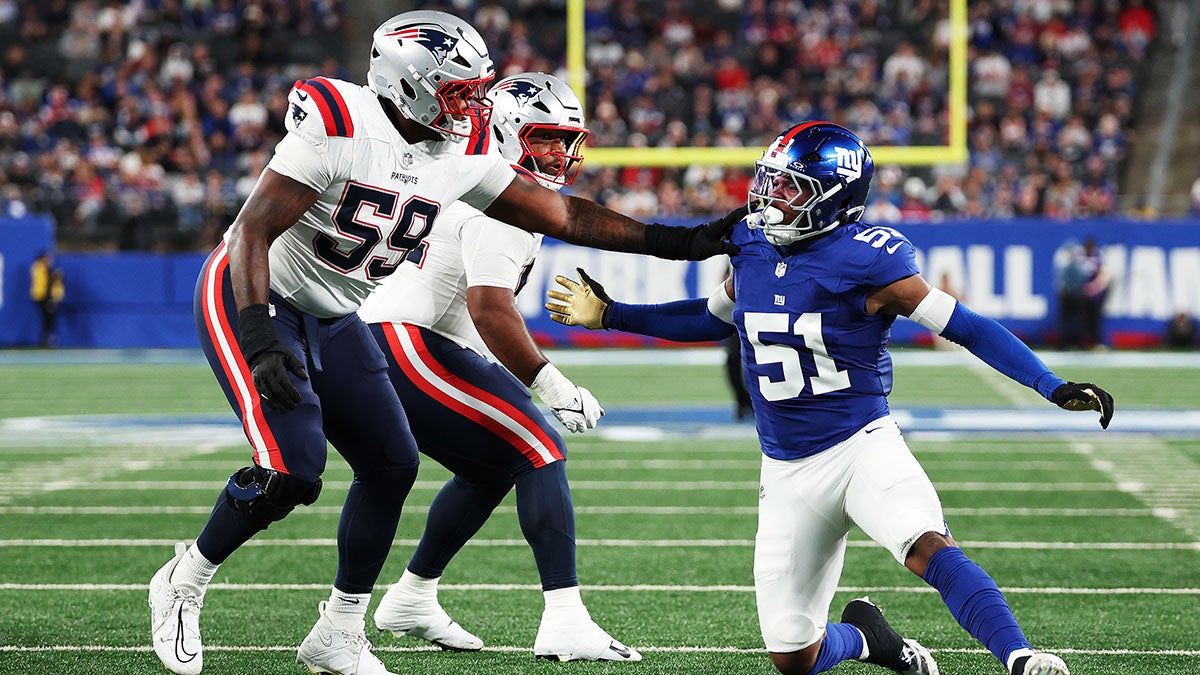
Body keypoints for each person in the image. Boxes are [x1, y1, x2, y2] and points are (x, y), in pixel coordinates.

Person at [147, 11, 739, 675]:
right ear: (409, 84)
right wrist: (259, 338)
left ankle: (339, 631)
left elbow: (565, 214)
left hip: (340, 312)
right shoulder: (341, 121)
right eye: (458, 92)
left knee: (393, 462)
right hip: (250, 293)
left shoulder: (458, 155)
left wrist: (682, 241)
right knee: (293, 469)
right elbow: (251, 231)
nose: (472, 107)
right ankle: (183, 580)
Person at [545, 122, 1115, 675]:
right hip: (787, 467)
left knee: (924, 543)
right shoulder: (749, 242)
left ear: (833, 199)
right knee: (793, 653)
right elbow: (709, 318)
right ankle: (869, 639)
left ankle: (1021, 658)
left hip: (860, 444)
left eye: (791, 186)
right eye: (771, 180)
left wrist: (1050, 384)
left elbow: (963, 325)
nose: (771, 196)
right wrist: (614, 314)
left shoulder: (871, 259)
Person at [356, 71, 640, 662]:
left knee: (492, 468)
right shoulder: (502, 199)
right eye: (545, 138)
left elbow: (474, 309)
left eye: (568, 140)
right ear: (509, 134)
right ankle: (564, 617)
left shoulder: (485, 181)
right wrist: (550, 385)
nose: (562, 153)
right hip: (406, 340)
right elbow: (490, 306)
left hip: (410, 339)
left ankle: (412, 595)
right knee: (539, 450)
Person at [29, 251, 64, 348]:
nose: (50, 261)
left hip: (48, 298)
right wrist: (50, 299)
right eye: (47, 259)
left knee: (49, 319)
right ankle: (46, 340)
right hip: (44, 298)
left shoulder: (45, 269)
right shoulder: (40, 268)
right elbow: (46, 285)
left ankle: (46, 339)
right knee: (48, 319)